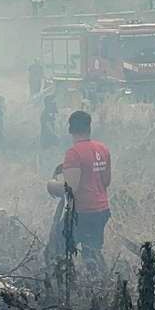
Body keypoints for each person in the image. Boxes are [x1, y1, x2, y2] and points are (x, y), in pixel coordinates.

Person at [45, 110, 111, 273]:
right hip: (101, 211)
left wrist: (51, 185)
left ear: (70, 129)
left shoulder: (73, 153)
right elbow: (106, 182)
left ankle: (64, 282)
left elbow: (70, 190)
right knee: (92, 251)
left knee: (58, 246)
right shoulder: (102, 149)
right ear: (89, 127)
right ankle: (100, 284)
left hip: (82, 213)